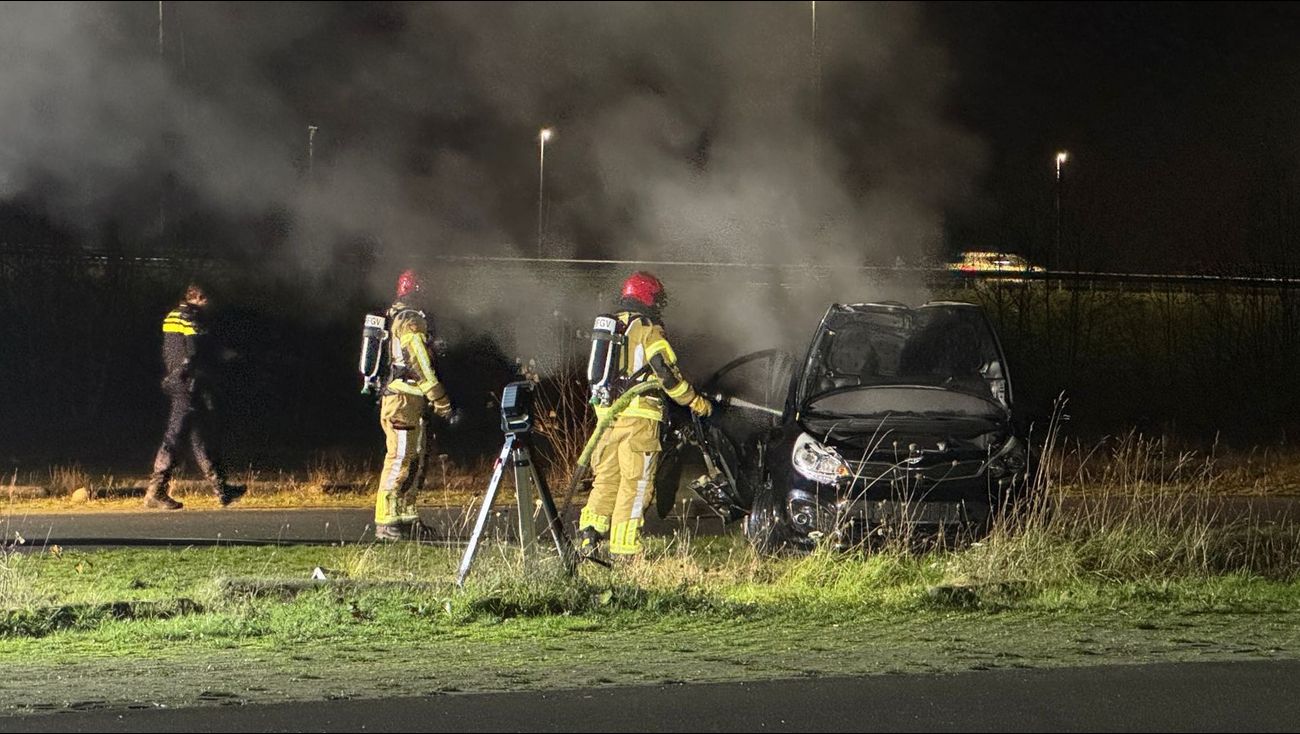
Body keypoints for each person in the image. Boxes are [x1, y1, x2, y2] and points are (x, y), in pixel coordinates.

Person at [578, 271, 713, 559]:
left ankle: (589, 536)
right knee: (636, 482)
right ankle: (625, 548)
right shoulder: (648, 329)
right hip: (638, 420)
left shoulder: (613, 326)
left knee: (606, 479)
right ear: (648, 297)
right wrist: (695, 401)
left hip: (606, 418)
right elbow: (667, 374)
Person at [144, 282, 246, 510]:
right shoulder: (191, 318)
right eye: (206, 299)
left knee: (200, 437)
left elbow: (172, 350)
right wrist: (221, 358)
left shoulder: (172, 316)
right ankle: (156, 491)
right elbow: (193, 351)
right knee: (175, 434)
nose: (209, 304)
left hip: (179, 380)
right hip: (187, 383)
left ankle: (222, 489)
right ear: (199, 297)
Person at [373, 269, 455, 541]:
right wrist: (439, 398)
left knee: (415, 459)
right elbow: (420, 363)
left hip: (408, 400)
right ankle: (386, 521)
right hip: (402, 400)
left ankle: (406, 518)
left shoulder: (397, 316)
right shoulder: (410, 321)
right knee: (400, 458)